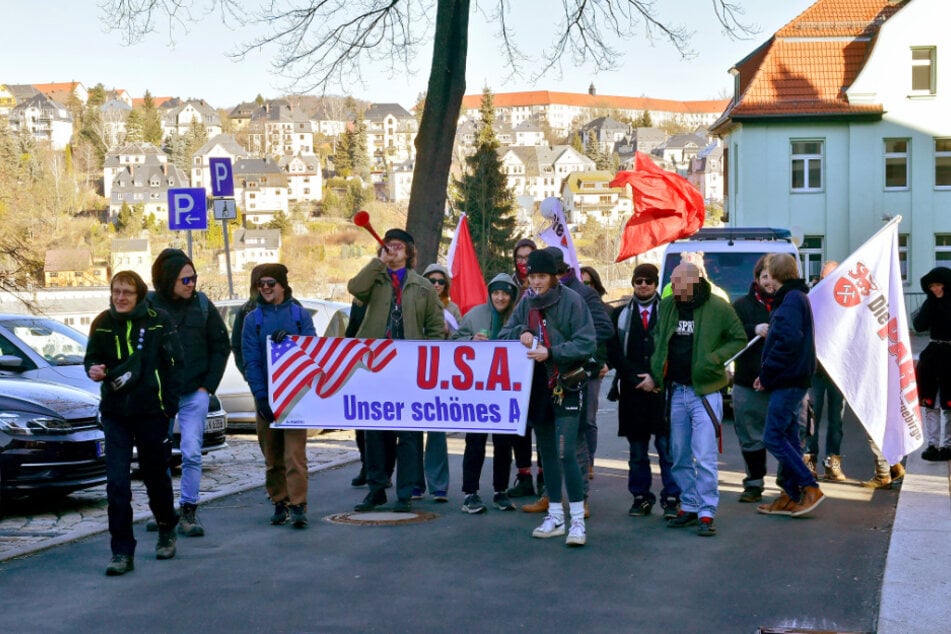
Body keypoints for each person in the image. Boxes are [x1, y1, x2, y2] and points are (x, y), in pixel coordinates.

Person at [85, 271, 183, 576]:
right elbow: (91, 359)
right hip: (115, 414)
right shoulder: (102, 322)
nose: (120, 297)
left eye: (127, 292)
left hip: (151, 412)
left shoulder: (159, 320)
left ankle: (166, 526)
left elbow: (175, 365)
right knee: (117, 483)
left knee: (155, 477)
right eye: (116, 291)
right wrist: (94, 369)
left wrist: (169, 407)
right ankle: (122, 552)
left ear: (139, 294)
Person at [642, 261, 746, 537]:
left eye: (678, 284)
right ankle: (688, 504)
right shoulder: (668, 306)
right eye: (672, 284)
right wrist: (657, 369)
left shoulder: (718, 307)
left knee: (705, 455)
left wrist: (713, 359)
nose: (673, 289)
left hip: (705, 392)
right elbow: (658, 337)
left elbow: (739, 338)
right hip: (676, 391)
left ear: (694, 281)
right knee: (679, 454)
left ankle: (707, 511)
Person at [500, 249, 596, 546]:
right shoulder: (526, 301)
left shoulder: (573, 301)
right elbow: (504, 334)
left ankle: (577, 521)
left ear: (554, 276)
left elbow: (587, 343)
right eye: (532, 277)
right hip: (537, 387)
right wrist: (522, 332)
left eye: (541, 276)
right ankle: (555, 515)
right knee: (548, 454)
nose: (536, 282)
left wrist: (551, 352)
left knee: (567, 452)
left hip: (566, 383)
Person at [348, 228, 445, 513]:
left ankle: (404, 493)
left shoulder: (423, 287)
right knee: (375, 432)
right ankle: (376, 490)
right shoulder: (374, 281)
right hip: (375, 366)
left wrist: (424, 358)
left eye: (399, 246)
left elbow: (437, 330)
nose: (393, 250)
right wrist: (378, 262)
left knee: (409, 434)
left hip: (408, 370)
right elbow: (354, 287)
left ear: (410, 252)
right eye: (388, 245)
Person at [148, 248, 231, 537]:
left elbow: (222, 345)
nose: (190, 284)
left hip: (194, 391)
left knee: (192, 452)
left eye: (193, 278)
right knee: (156, 456)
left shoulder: (203, 306)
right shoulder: (149, 305)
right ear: (168, 279)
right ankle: (162, 511)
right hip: (159, 393)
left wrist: (208, 386)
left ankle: (189, 511)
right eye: (184, 280)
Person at [242, 263, 317, 528]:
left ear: (283, 285)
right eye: (261, 283)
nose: (265, 288)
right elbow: (251, 360)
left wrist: (293, 341)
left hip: (295, 397)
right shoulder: (253, 320)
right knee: (272, 457)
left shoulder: (299, 315)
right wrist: (261, 397)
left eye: (270, 283)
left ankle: (298, 505)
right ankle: (279, 500)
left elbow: (312, 349)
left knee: (295, 455)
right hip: (268, 398)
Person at [540, 248, 613, 519]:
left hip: (577, 375)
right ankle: (551, 497)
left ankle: (580, 500)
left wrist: (571, 346)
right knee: (548, 442)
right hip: (546, 377)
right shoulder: (533, 298)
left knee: (575, 441)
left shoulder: (583, 294)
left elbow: (603, 330)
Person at [608, 263, 680, 518]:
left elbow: (676, 348)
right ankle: (641, 497)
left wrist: (656, 377)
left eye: (648, 281)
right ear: (633, 284)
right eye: (639, 281)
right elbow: (613, 350)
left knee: (667, 449)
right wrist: (633, 376)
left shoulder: (670, 312)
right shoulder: (620, 315)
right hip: (632, 392)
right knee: (637, 451)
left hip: (662, 391)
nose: (643, 285)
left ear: (656, 282)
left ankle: (672, 497)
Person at [755, 253, 825, 517]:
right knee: (788, 437)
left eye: (768, 272)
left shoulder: (791, 300)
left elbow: (787, 342)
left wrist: (767, 374)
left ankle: (809, 487)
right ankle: (791, 493)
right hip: (792, 378)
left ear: (777, 274)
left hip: (788, 380)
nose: (766, 278)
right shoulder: (796, 297)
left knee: (773, 437)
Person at [453, 273, 521, 513]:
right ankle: (470, 493)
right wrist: (471, 339)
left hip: (507, 390)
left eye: (505, 293)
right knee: (475, 441)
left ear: (512, 295)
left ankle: (500, 491)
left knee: (504, 442)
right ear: (490, 294)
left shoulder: (519, 316)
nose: (500, 298)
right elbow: (453, 341)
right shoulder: (474, 315)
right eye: (496, 293)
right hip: (478, 391)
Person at [408, 263, 460, 502]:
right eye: (431, 280)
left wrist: (449, 333)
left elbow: (462, 342)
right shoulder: (413, 304)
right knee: (413, 431)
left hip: (441, 376)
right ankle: (415, 483)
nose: (436, 285)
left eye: (440, 281)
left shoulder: (453, 309)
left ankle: (439, 484)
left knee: (437, 432)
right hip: (416, 373)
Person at [730, 255, 775, 503]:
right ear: (757, 279)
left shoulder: (788, 303)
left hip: (781, 383)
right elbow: (731, 336)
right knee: (750, 435)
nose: (769, 282)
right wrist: (753, 329)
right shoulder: (741, 306)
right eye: (765, 276)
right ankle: (754, 482)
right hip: (748, 381)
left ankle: (789, 484)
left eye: (773, 276)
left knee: (787, 434)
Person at [506, 238, 542, 500]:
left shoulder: (550, 291)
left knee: (542, 424)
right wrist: (522, 330)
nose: (523, 262)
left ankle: (544, 474)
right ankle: (524, 475)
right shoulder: (510, 286)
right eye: (519, 257)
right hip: (514, 366)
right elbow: (511, 325)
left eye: (528, 257)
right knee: (519, 425)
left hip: (543, 366)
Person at [806, 261, 847, 480]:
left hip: (838, 371)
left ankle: (833, 462)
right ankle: (810, 461)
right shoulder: (812, 299)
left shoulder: (845, 302)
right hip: (816, 370)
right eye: (824, 278)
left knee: (836, 421)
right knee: (812, 416)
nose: (827, 282)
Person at [912, 266, 951, 461]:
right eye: (932, 286)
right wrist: (932, 306)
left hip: (950, 355)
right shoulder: (930, 303)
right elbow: (919, 325)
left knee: (949, 404)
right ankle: (932, 444)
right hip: (933, 354)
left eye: (939, 285)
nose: (936, 289)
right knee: (930, 402)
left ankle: (948, 444)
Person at [580, 265, 611, 480]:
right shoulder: (568, 307)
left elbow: (612, 340)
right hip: (569, 370)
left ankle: (589, 461)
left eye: (588, 283)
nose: (584, 287)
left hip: (593, 371)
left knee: (588, 419)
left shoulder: (606, 311)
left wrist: (607, 362)